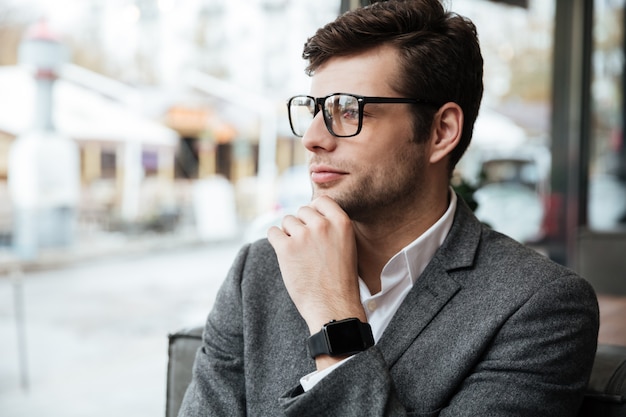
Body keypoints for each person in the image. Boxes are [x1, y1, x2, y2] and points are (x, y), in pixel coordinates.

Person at [178, 0, 599, 415]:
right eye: (314, 109)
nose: (312, 138)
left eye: (347, 110)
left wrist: (334, 322)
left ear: (441, 131)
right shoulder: (258, 272)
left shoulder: (540, 305)